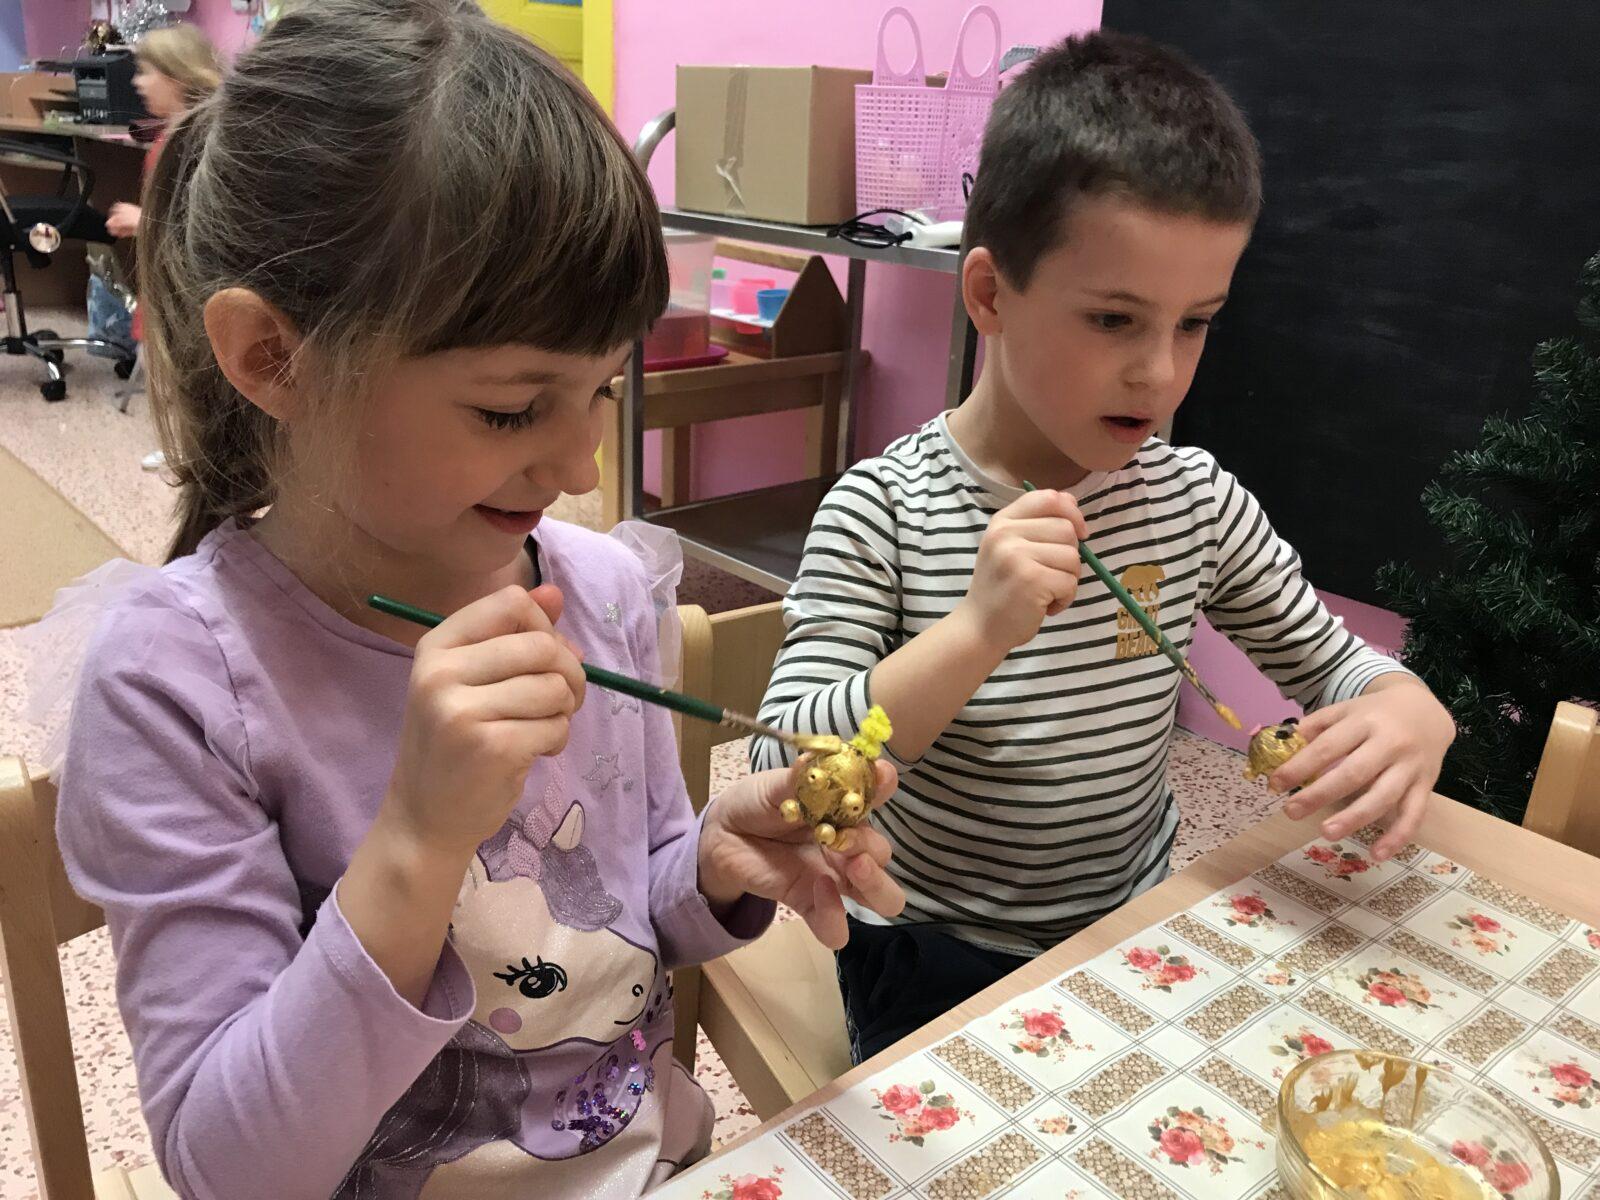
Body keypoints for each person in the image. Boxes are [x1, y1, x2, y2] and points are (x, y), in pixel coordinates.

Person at [41, 3, 903, 1196]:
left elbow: (624, 926)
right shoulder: (179, 684)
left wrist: (711, 863)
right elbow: (226, 1168)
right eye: (509, 409)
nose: (580, 466)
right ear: (271, 359)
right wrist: (416, 840)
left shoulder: (599, 591)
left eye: (602, 391)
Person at [752, 30, 1456, 1063]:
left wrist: (1409, 706)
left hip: (1135, 918)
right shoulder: (882, 511)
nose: (1159, 374)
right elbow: (781, 762)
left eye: (1195, 323)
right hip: (933, 944)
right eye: (1115, 320)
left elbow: (1338, 668)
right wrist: (975, 632)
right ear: (990, 295)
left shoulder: (1193, 501)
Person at [98, 24, 222, 472]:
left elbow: (203, 220)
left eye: (145, 72)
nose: (137, 82)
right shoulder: (173, 135)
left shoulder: (198, 139)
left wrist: (144, 221)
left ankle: (194, 448)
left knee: (180, 364)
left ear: (175, 76)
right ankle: (185, 443)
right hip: (166, 273)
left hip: (188, 280)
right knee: (158, 358)